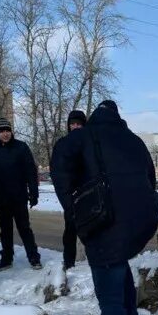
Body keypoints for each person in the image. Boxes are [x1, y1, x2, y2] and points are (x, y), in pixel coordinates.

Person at [51, 99, 158, 315]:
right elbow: (150, 181)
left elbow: (59, 163)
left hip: (103, 223)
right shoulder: (134, 141)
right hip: (138, 223)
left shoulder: (83, 136)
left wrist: (72, 208)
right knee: (120, 263)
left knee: (108, 299)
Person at [0, 117, 41, 271]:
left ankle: (33, 257)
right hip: (0, 199)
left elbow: (30, 171)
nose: (5, 134)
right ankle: (7, 258)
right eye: (2, 131)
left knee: (24, 228)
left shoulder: (20, 147)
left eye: (7, 130)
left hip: (18, 197)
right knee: (5, 230)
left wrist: (33, 192)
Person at [54, 109, 87, 270]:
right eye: (72, 124)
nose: (75, 127)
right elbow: (58, 174)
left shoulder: (91, 143)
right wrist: (67, 198)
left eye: (79, 124)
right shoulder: (62, 144)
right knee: (70, 229)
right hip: (71, 195)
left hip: (90, 193)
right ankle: (69, 262)